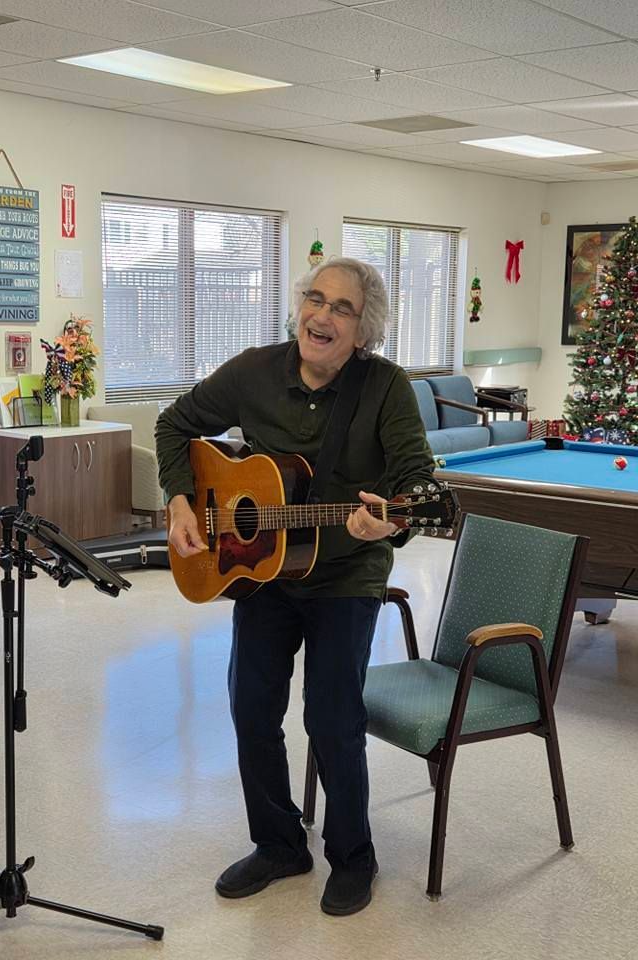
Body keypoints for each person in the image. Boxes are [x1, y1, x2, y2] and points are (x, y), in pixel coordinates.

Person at [156, 257, 435, 916]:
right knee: (251, 707)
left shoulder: (386, 389)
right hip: (264, 571)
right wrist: (178, 499)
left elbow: (415, 483)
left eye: (341, 309)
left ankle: (353, 854)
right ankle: (280, 844)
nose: (322, 316)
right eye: (316, 299)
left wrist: (386, 525)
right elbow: (174, 424)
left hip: (346, 571)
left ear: (363, 332)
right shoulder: (255, 371)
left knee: (332, 717)